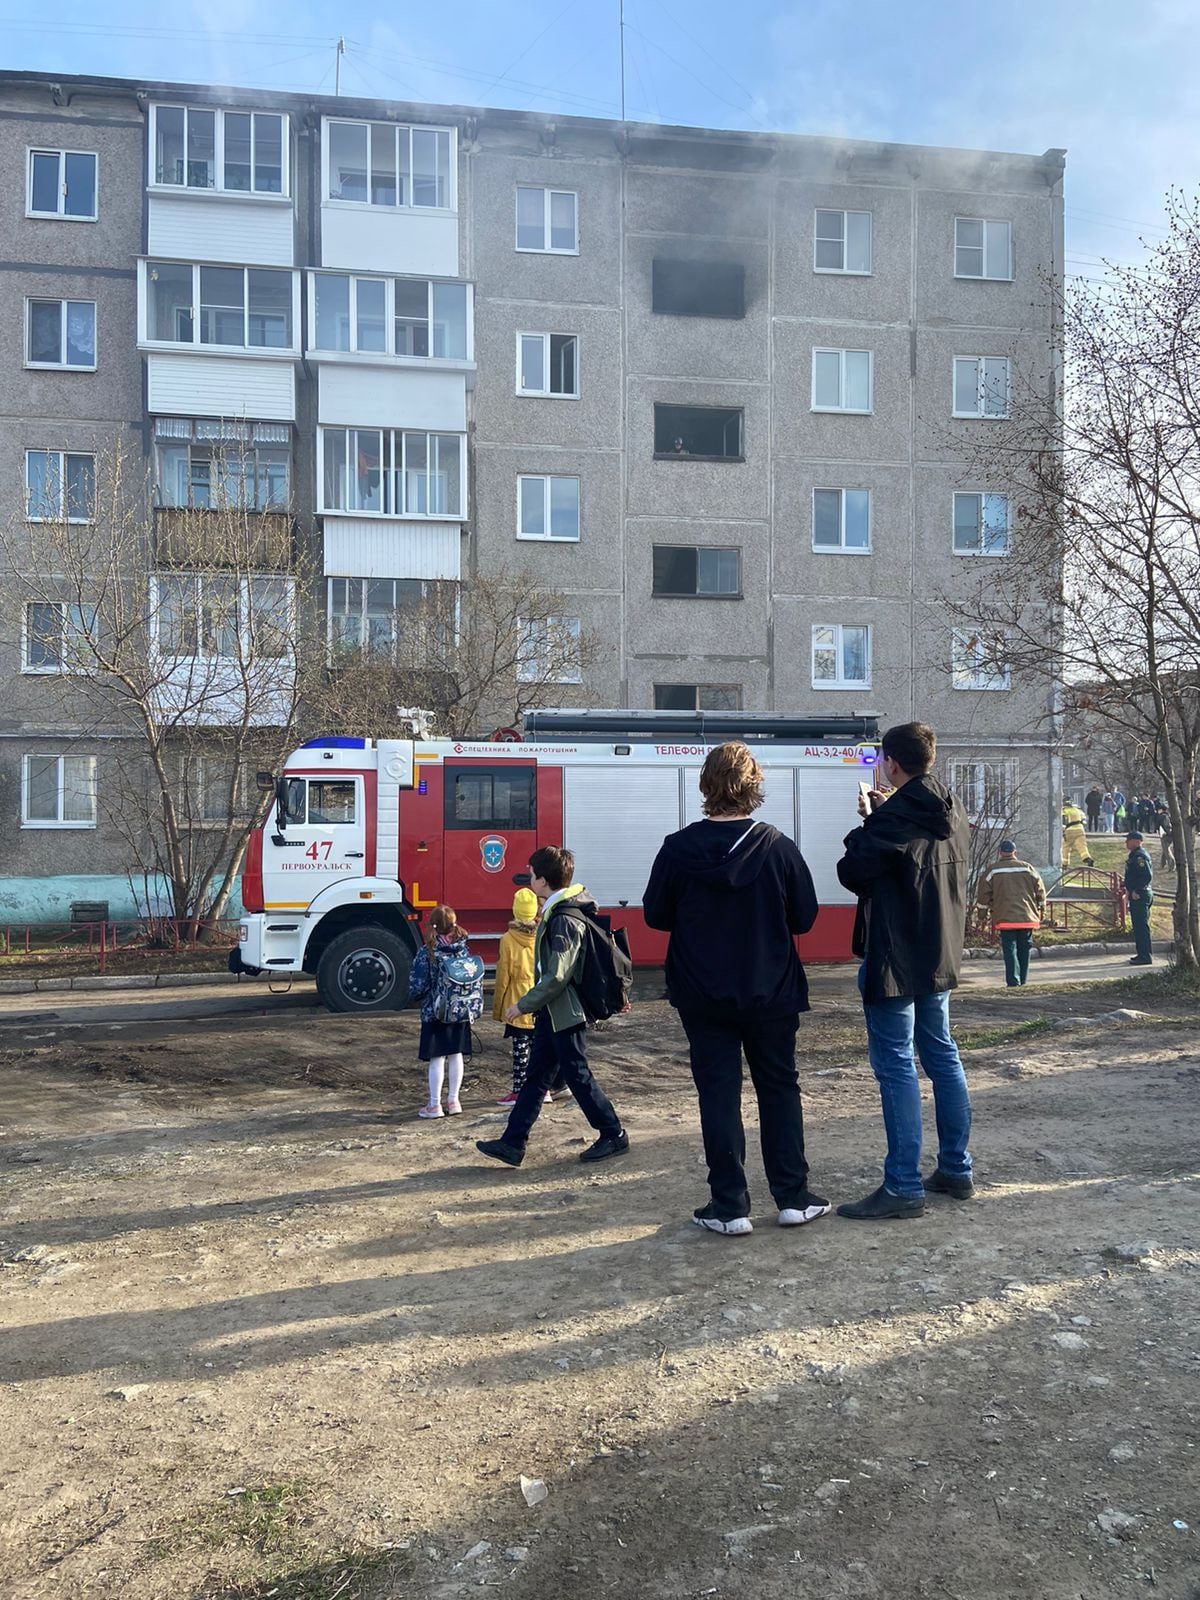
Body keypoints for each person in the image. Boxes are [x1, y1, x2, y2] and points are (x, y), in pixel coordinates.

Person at [643, 741, 829, 1237]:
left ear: (706, 785)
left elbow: (655, 915)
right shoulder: (778, 847)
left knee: (718, 1093)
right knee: (779, 1087)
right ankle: (793, 1198)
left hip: (702, 993)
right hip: (771, 990)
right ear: (754, 787)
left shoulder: (677, 848)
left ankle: (729, 1206)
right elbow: (805, 918)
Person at [834, 722, 974, 1220]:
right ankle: (956, 1169)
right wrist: (882, 812)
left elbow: (853, 872)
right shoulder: (953, 810)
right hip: (939, 952)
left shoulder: (893, 819)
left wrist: (871, 819)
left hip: (894, 956)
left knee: (896, 1066)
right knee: (942, 1056)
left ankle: (902, 1186)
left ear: (892, 763)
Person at [476, 846, 629, 1168]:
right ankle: (512, 1143)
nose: (529, 879)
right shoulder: (565, 911)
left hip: (564, 1012)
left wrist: (523, 1004)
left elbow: (557, 974)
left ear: (543, 880)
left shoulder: (563, 919)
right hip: (555, 1012)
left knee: (576, 1074)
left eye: (531, 875)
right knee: (537, 1077)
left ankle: (613, 1133)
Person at [407, 905, 481, 1119]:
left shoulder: (428, 951)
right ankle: (454, 1101)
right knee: (456, 1054)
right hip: (460, 1011)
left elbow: (418, 985)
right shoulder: (463, 949)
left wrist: (416, 997)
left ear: (434, 925)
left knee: (437, 1058)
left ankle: (434, 1105)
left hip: (436, 1012)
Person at [492, 887, 541, 1107]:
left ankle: (518, 1091)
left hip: (517, 1002)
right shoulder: (541, 934)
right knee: (539, 1050)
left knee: (520, 1051)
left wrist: (498, 1008)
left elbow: (503, 976)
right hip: (539, 1000)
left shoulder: (507, 939)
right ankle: (543, 1089)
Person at [976, 839, 1048, 988]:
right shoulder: (1028, 868)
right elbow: (1040, 890)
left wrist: (981, 915)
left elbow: (983, 895)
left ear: (1000, 853)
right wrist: (1042, 909)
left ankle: (1013, 982)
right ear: (1015, 852)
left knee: (1010, 949)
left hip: (1005, 917)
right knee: (1024, 949)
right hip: (1026, 917)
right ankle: (1023, 980)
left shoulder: (992, 871)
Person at [1124, 831, 1154, 965]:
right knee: (1138, 926)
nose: (1126, 842)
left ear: (1137, 841)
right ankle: (1142, 953)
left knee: (1141, 926)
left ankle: (1145, 956)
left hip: (1140, 895)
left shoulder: (1140, 857)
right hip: (1138, 894)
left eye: (1129, 840)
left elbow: (1146, 876)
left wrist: (1136, 889)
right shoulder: (1135, 855)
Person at [1061, 799, 1094, 868]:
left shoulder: (1064, 810)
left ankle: (1064, 863)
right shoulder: (1077, 810)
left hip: (1069, 830)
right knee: (1082, 846)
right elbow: (1084, 820)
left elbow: (1063, 822)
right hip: (1080, 830)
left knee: (1066, 847)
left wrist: (1063, 831)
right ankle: (1087, 858)